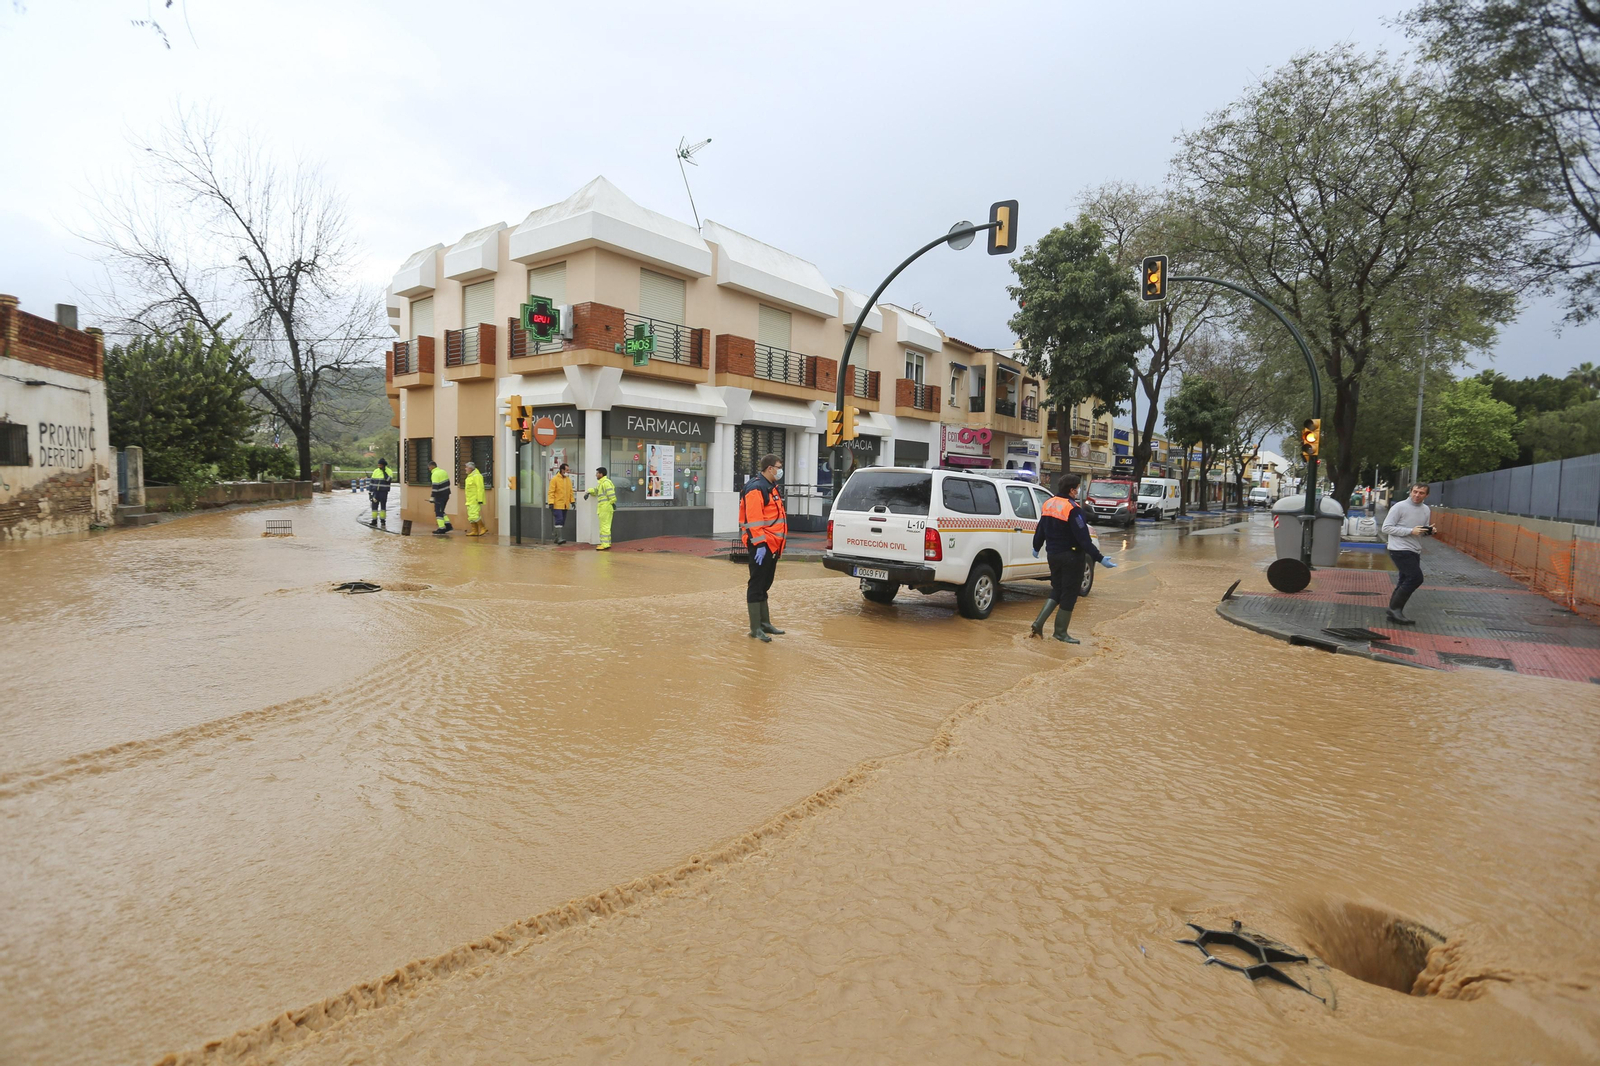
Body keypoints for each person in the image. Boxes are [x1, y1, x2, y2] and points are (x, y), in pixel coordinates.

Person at [1030, 472, 1117, 643]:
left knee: (1057, 589)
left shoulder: (1048, 504)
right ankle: (1060, 633)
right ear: (1071, 490)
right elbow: (1083, 538)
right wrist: (1099, 558)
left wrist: (1036, 546)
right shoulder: (1073, 509)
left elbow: (1041, 529)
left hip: (1053, 555)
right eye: (1077, 488)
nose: (1078, 492)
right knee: (1069, 594)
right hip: (1071, 556)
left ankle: (1038, 624)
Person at [739, 454, 787, 642]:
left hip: (772, 545)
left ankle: (765, 623)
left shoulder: (770, 487)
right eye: (778, 467)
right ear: (769, 468)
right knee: (756, 585)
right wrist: (759, 545)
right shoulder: (756, 488)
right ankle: (755, 628)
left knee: (765, 584)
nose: (780, 470)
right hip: (762, 545)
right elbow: (752, 520)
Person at [1381, 482, 1434, 625]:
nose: (1417, 495)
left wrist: (1428, 531)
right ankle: (1394, 609)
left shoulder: (1425, 509)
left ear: (1426, 495)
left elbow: (1420, 531)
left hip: (1414, 549)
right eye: (1415, 491)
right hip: (1398, 549)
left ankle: (1393, 611)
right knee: (1416, 578)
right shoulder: (1399, 507)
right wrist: (1410, 531)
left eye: (1421, 493)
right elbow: (1386, 528)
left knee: (1404, 580)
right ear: (1410, 491)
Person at [584, 466, 617, 550]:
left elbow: (612, 496)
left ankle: (604, 544)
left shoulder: (605, 483)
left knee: (604, 526)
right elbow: (596, 491)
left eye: (597, 473)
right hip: (606, 507)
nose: (596, 475)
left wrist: (610, 502)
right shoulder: (602, 483)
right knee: (606, 526)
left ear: (601, 474)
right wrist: (588, 491)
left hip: (605, 508)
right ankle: (607, 543)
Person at [547, 462, 575, 544]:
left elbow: (570, 492)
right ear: (562, 470)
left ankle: (556, 537)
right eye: (567, 470)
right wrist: (551, 503)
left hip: (565, 505)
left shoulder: (568, 480)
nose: (568, 471)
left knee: (562, 522)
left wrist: (572, 501)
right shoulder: (555, 479)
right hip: (557, 504)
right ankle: (559, 538)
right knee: (559, 520)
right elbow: (551, 492)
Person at [428, 460, 453, 535]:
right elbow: (448, 482)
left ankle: (441, 528)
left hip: (439, 496)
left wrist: (432, 497)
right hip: (446, 494)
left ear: (432, 466)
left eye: (429, 468)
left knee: (438, 511)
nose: (429, 469)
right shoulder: (443, 471)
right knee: (441, 510)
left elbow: (435, 487)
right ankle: (448, 525)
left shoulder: (435, 474)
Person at [367, 458, 393, 528]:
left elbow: (388, 480)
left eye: (380, 465)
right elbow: (372, 482)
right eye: (378, 465)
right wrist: (370, 492)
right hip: (375, 492)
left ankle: (383, 521)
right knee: (374, 507)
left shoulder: (389, 471)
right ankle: (374, 520)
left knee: (383, 507)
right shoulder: (375, 471)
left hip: (384, 492)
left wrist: (384, 472)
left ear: (384, 465)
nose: (379, 466)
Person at [463, 461, 486, 536]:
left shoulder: (477, 476)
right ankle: (474, 531)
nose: (465, 469)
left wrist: (480, 499)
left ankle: (483, 528)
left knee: (474, 515)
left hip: (475, 499)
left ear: (470, 468)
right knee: (470, 516)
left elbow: (480, 488)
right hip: (470, 499)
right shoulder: (470, 476)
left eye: (466, 467)